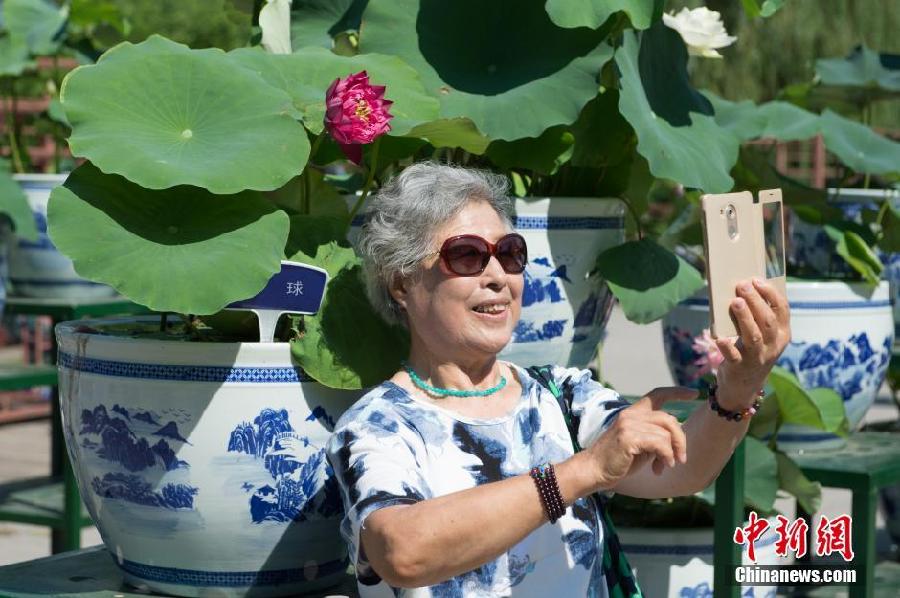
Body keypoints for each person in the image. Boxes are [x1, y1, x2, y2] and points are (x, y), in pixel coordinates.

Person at [326, 162, 791, 597]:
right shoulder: (377, 424)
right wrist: (581, 472)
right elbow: (402, 552)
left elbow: (681, 471)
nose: (498, 276)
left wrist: (738, 389)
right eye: (467, 256)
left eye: (509, 254)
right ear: (402, 283)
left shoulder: (561, 395)